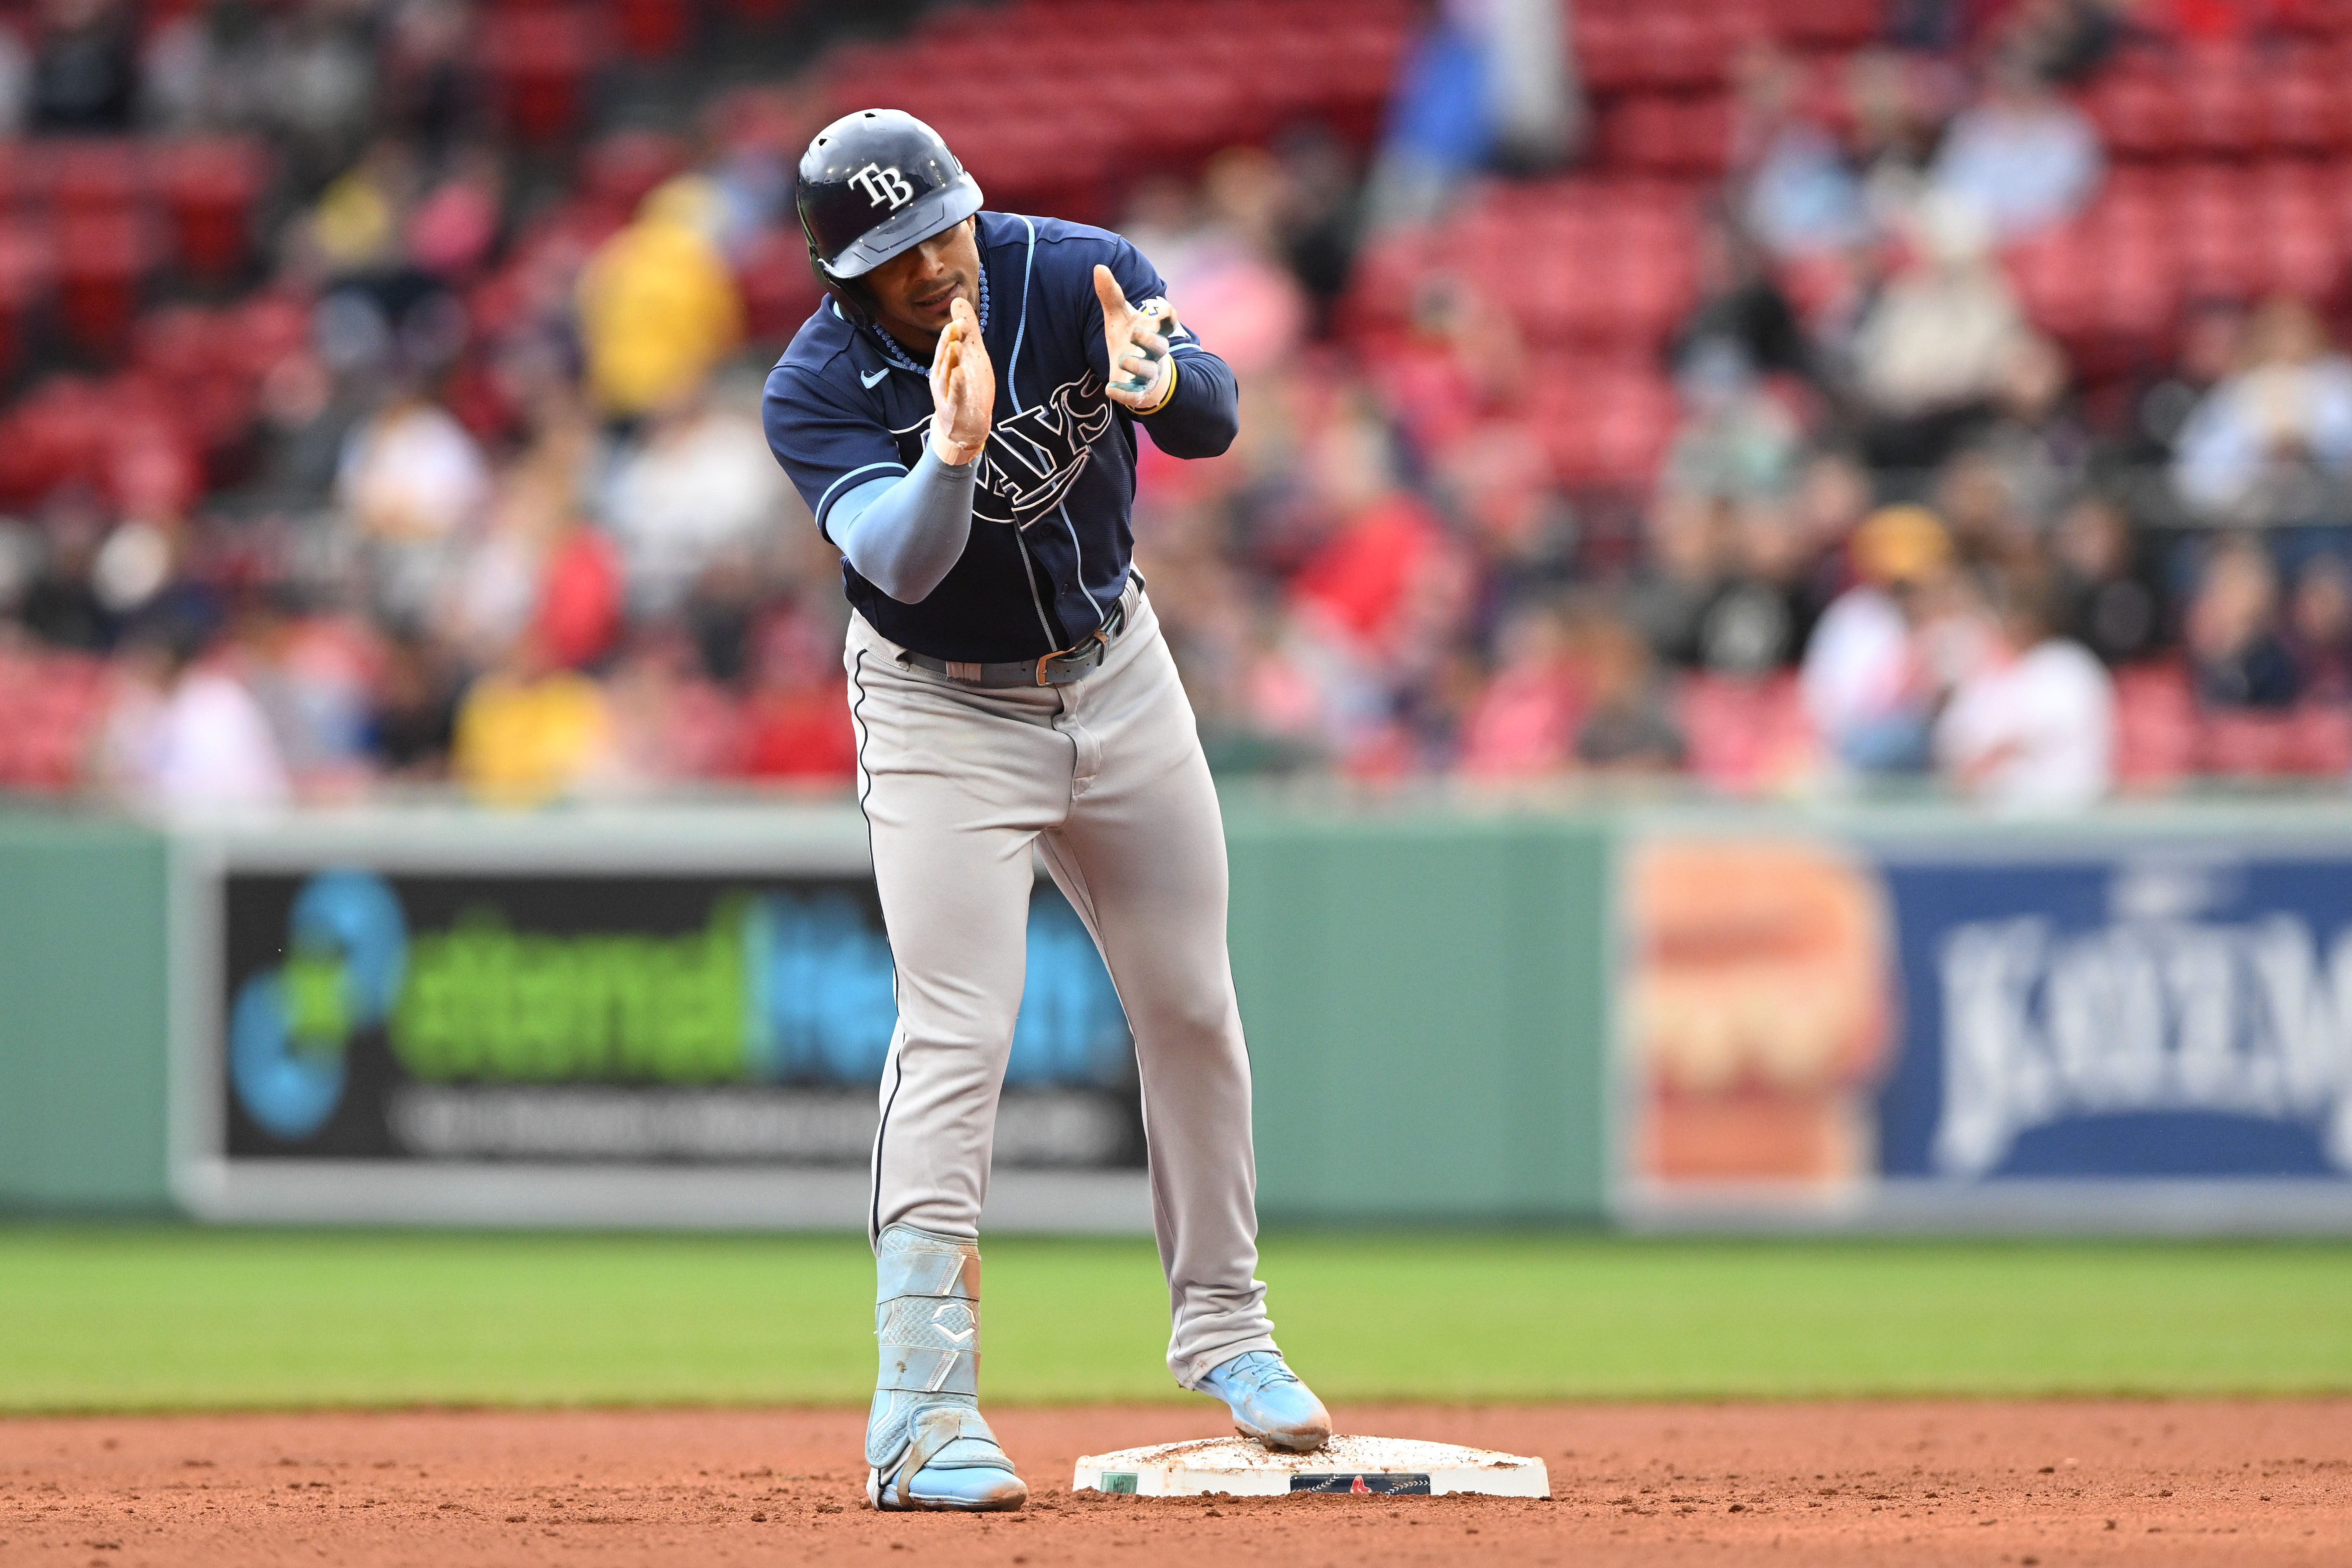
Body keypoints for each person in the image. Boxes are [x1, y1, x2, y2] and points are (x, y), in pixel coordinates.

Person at [761, 110, 1328, 1514]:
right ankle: (920, 1409)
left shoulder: (1067, 268)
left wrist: (1162, 382)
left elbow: (1211, 414)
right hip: (940, 707)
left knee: (1191, 1003)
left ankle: (1229, 1333)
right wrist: (949, 454)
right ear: (846, 281)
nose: (936, 265)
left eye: (942, 226)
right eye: (896, 257)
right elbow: (899, 567)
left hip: (1117, 672)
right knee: (957, 1028)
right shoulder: (815, 388)